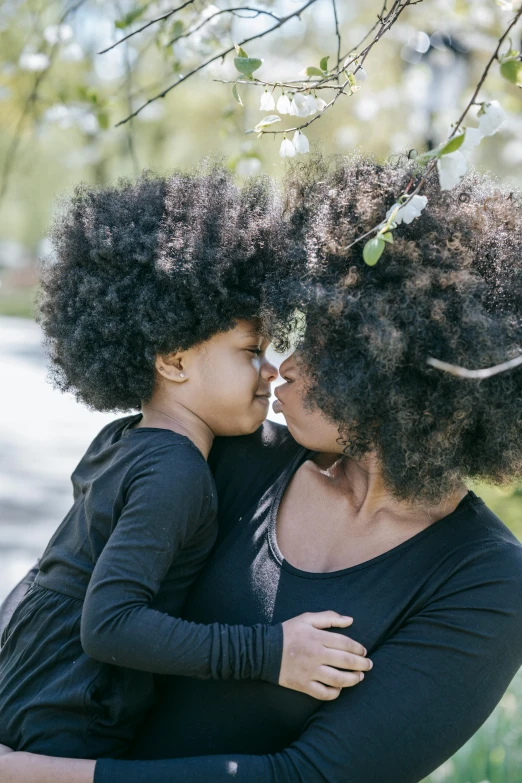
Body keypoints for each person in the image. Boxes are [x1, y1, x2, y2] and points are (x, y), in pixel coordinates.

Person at [1, 152, 522, 783]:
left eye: (327, 346)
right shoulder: (219, 456)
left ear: (403, 376)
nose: (288, 365)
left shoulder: (484, 580)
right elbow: (59, 601)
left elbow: (310, 779)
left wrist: (34, 775)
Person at [0, 165, 371, 761]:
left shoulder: (123, 439)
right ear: (173, 361)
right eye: (251, 351)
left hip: (35, 674)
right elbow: (111, 624)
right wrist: (271, 653)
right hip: (68, 710)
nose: (272, 370)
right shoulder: (174, 472)